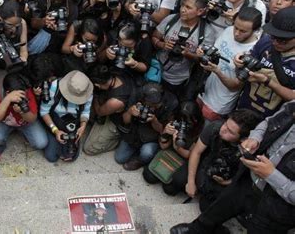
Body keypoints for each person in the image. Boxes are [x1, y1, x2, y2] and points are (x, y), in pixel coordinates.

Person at [171, 100, 295, 234]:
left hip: (277, 204)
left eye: (230, 131)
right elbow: (268, 122)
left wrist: (271, 175)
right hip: (249, 179)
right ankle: (195, 230)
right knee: (216, 210)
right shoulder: (291, 106)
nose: (223, 129)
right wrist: (255, 138)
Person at [182, 109, 263, 212]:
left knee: (206, 208)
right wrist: (191, 182)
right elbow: (196, 152)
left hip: (225, 179)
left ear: (243, 139)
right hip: (207, 164)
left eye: (230, 131)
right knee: (175, 183)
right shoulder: (215, 127)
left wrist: (227, 182)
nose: (223, 129)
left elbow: (246, 180)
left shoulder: (249, 150)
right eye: (226, 124)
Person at [228, 6, 295, 118]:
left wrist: (267, 81)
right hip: (242, 111)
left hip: (270, 122)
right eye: (273, 37)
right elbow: (242, 72)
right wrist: (240, 63)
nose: (275, 43)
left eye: (283, 40)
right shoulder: (265, 42)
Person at [197, 7, 261, 123]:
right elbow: (214, 52)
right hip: (204, 91)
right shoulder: (228, 31)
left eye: (243, 31)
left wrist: (217, 71)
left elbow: (235, 86)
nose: (236, 33)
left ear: (255, 30)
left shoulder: (254, 51)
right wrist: (202, 53)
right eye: (236, 27)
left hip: (219, 104)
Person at [152, 0, 216, 99]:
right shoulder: (171, 19)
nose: (183, 10)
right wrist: (162, 45)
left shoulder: (207, 32)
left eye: (188, 7)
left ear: (200, 11)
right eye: (183, 5)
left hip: (178, 79)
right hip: (156, 70)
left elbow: (203, 60)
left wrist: (187, 53)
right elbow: (154, 37)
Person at [0, 72, 48, 163]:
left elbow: (32, 118)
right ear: (7, 92)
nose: (22, 97)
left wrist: (22, 112)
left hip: (25, 122)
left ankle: (23, 133)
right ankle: (0, 148)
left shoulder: (26, 91)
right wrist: (7, 99)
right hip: (4, 122)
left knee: (41, 143)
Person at [117, 82, 179, 171]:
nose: (153, 108)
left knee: (147, 153)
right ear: (144, 100)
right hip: (135, 132)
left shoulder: (171, 102)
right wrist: (130, 112)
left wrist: (154, 121)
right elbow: (125, 121)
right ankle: (137, 150)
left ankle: (140, 160)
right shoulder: (137, 94)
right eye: (150, 105)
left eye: (156, 105)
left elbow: (163, 132)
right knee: (120, 158)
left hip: (152, 137)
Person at [41, 70, 93, 162]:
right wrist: (55, 130)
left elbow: (85, 111)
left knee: (70, 155)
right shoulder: (54, 87)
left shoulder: (86, 91)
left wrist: (83, 125)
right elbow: (44, 112)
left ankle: (71, 139)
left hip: (73, 121)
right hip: (55, 120)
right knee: (51, 156)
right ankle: (51, 134)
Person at [82, 65, 134, 156]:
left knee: (88, 148)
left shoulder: (115, 101)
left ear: (97, 84)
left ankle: (116, 140)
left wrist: (94, 95)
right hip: (109, 104)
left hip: (117, 121)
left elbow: (99, 111)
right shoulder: (114, 74)